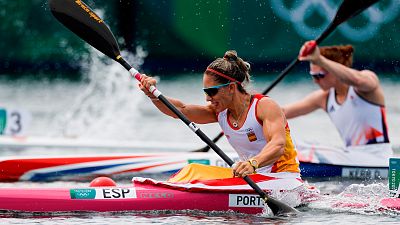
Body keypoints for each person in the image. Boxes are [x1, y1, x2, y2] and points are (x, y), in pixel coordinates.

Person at [139, 50, 300, 179]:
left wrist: (252, 163)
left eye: (212, 91)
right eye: (205, 92)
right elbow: (180, 110)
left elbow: (278, 145)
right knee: (193, 170)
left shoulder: (264, 106)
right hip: (252, 178)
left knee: (196, 173)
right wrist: (153, 95)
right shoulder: (220, 112)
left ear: (231, 87)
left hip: (282, 179)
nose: (207, 98)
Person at [282, 41, 392, 165]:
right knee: (289, 144)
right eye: (313, 76)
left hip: (379, 159)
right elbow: (283, 112)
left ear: (334, 69)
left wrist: (320, 60)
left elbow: (357, 79)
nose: (315, 81)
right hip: (352, 156)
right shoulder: (324, 97)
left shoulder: (365, 83)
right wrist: (258, 104)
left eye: (319, 76)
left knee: (302, 150)